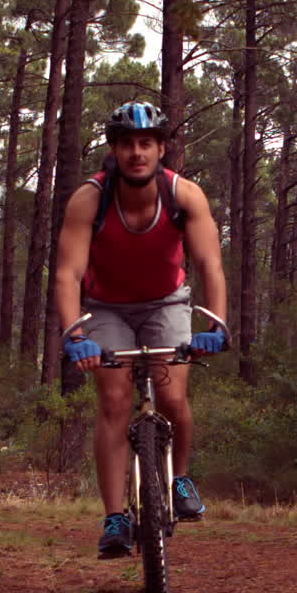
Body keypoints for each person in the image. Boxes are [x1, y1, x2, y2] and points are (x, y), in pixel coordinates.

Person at [54, 101, 228, 559]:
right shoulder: (89, 199)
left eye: (146, 143)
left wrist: (216, 325)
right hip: (106, 308)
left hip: (166, 302)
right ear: (114, 149)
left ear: (161, 148)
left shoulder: (184, 195)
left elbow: (210, 264)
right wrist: (76, 336)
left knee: (172, 397)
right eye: (127, 144)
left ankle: (181, 477)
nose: (137, 152)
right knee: (113, 401)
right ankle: (115, 517)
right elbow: (68, 275)